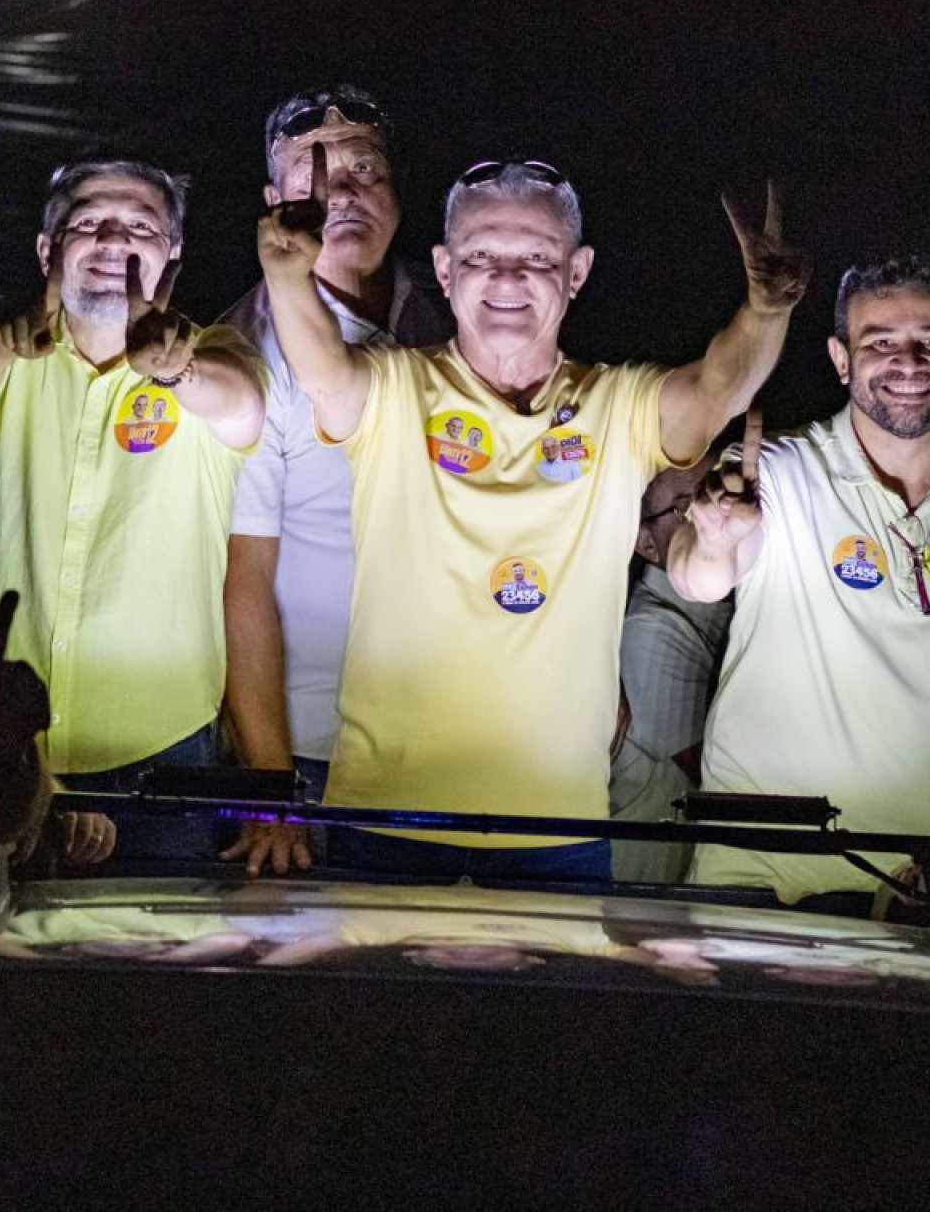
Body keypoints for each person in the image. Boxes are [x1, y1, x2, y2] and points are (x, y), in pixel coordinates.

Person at [257, 155, 807, 878]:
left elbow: (715, 390)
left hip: (557, 824)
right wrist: (287, 275)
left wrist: (766, 312)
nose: (509, 278)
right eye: (482, 254)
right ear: (445, 271)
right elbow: (323, 368)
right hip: (387, 811)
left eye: (537, 258)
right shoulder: (394, 389)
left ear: (576, 274)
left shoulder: (619, 405)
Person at [0, 158, 265, 863]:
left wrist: (176, 370)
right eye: (88, 223)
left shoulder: (215, 354)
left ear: (172, 259)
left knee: (153, 968)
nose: (113, 239)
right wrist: (0, 345)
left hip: (155, 755)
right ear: (47, 250)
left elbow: (242, 408)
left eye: (141, 226)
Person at [220, 87, 454, 874]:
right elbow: (239, 582)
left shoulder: (453, 314)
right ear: (272, 201)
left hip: (449, 730)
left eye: (366, 168)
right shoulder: (244, 353)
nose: (343, 192)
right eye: (311, 173)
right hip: (316, 752)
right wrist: (269, 784)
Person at [671, 258, 930, 908]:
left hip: (910, 903)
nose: (909, 361)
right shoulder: (782, 472)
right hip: (765, 893)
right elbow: (697, 574)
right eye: (881, 343)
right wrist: (713, 539)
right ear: (841, 359)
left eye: (926, 339)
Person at [611, 456, 732, 884]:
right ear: (646, 543)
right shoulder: (652, 630)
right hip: (650, 880)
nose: (713, 515)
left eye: (716, 493)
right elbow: (712, 766)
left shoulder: (707, 613)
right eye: (685, 508)